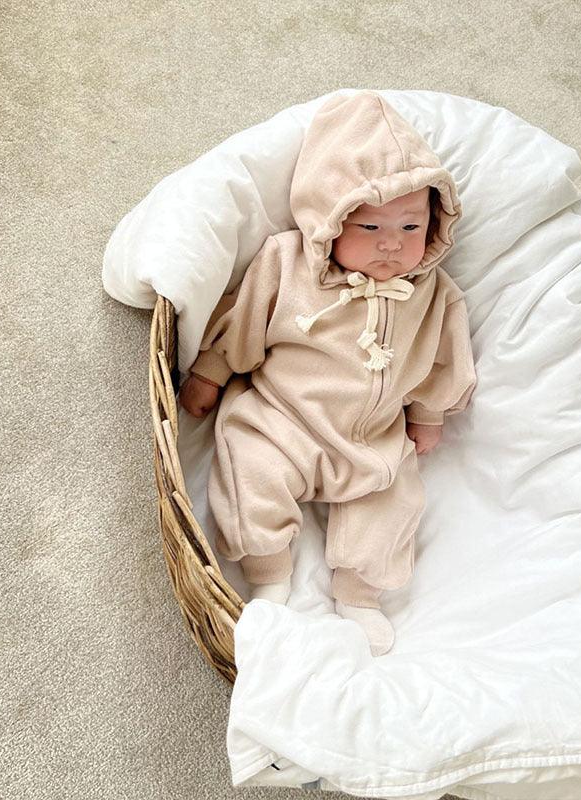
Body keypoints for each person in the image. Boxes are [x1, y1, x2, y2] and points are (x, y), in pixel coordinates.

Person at [179, 90, 477, 656]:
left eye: (411, 227)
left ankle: (360, 595)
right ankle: (269, 571)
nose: (392, 244)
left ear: (436, 225)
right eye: (368, 228)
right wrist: (211, 371)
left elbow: (443, 358)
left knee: (394, 497)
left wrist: (429, 414)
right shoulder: (285, 263)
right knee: (249, 466)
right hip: (283, 419)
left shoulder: (433, 293)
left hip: (372, 438)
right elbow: (242, 320)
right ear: (328, 221)